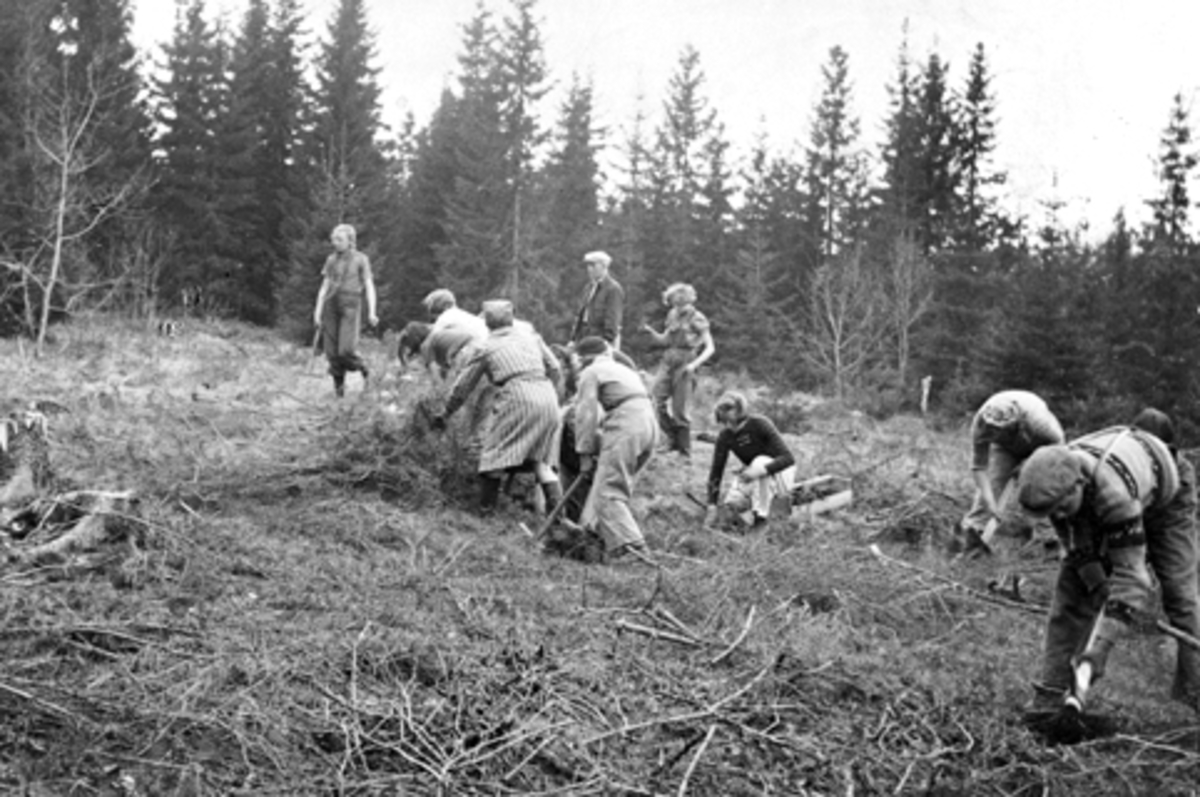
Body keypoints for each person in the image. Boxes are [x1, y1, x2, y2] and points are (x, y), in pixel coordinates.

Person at [1015, 425, 1183, 720]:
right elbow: (1076, 549)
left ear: (1078, 484)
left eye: (1062, 508)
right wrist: (1099, 589)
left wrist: (1102, 645)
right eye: (1051, 512)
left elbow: (1133, 578)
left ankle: (1192, 695)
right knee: (1071, 592)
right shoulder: (1059, 487)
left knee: (1181, 596)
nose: (1058, 517)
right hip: (1105, 487)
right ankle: (1050, 696)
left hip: (1169, 495)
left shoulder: (1114, 497)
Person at [433, 300, 564, 516]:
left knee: (494, 457)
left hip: (518, 397)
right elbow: (555, 368)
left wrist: (445, 413)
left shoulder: (486, 347)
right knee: (541, 463)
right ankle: (559, 520)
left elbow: (463, 387)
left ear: (487, 323)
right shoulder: (533, 339)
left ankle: (486, 516)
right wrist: (547, 390)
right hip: (547, 395)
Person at [1130, 408, 1200, 711]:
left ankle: (1192, 690)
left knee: (1183, 600)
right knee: (1097, 588)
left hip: (1170, 519)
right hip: (1127, 510)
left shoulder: (1180, 472)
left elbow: (1174, 520)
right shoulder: (1123, 459)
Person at [568, 336, 657, 560]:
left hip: (627, 422)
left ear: (583, 358)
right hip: (648, 423)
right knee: (613, 489)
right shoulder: (622, 369)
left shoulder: (591, 372)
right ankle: (592, 543)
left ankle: (635, 553)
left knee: (608, 493)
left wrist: (585, 452)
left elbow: (585, 414)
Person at [960, 390, 1065, 553]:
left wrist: (1030, 463)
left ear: (1014, 424)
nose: (992, 433)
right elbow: (979, 466)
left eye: (997, 430)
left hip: (1042, 446)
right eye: (990, 429)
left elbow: (1058, 448)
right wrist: (989, 501)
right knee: (994, 483)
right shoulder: (981, 424)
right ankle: (973, 535)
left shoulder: (1040, 423)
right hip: (1006, 448)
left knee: (1040, 488)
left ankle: (1049, 541)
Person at [704, 391, 797, 531]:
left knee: (760, 461)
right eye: (725, 423)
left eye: (730, 421)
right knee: (733, 503)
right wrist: (711, 504)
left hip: (781, 474)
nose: (729, 427)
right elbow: (716, 470)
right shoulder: (725, 436)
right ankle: (742, 518)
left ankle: (761, 518)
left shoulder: (759, 424)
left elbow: (788, 459)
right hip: (755, 476)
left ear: (739, 412)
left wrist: (759, 470)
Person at [642, 282, 715, 458]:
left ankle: (684, 450)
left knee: (680, 408)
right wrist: (651, 332)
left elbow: (710, 347)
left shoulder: (697, 317)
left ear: (690, 298)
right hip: (668, 360)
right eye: (675, 298)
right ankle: (671, 439)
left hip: (686, 361)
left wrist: (693, 365)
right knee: (655, 400)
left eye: (682, 297)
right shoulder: (672, 315)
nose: (679, 301)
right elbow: (665, 340)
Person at [313, 223, 378, 397]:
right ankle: (339, 397)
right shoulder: (331, 260)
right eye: (333, 239)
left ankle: (365, 369)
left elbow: (369, 285)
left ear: (350, 240)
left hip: (350, 306)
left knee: (345, 351)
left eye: (339, 239)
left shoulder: (361, 259)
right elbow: (324, 287)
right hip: (331, 307)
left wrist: (372, 311)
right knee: (332, 354)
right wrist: (317, 311)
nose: (335, 242)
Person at [570, 251, 624, 348]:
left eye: (593, 265)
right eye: (588, 265)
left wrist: (606, 342)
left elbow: (613, 320)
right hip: (583, 338)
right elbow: (580, 316)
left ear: (604, 266)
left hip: (600, 342)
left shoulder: (613, 289)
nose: (589, 269)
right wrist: (573, 339)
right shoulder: (588, 288)